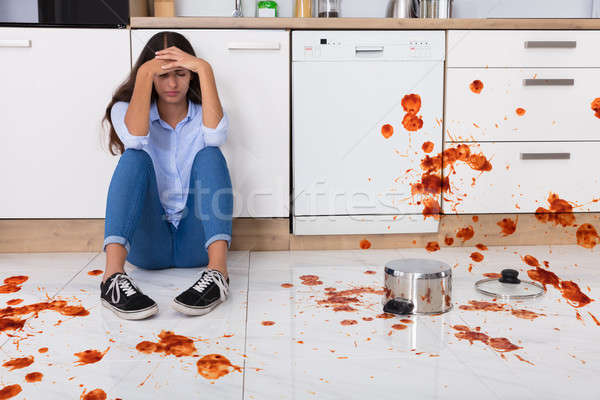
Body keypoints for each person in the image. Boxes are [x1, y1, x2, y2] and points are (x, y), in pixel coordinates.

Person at [100, 31, 233, 320]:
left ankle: (219, 273)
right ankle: (111, 279)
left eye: (181, 73)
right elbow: (134, 139)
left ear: (192, 75)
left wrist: (205, 68)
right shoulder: (125, 110)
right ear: (148, 76)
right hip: (149, 247)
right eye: (162, 75)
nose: (172, 84)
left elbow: (216, 134)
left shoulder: (204, 112)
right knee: (134, 156)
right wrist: (146, 73)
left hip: (196, 244)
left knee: (211, 153)